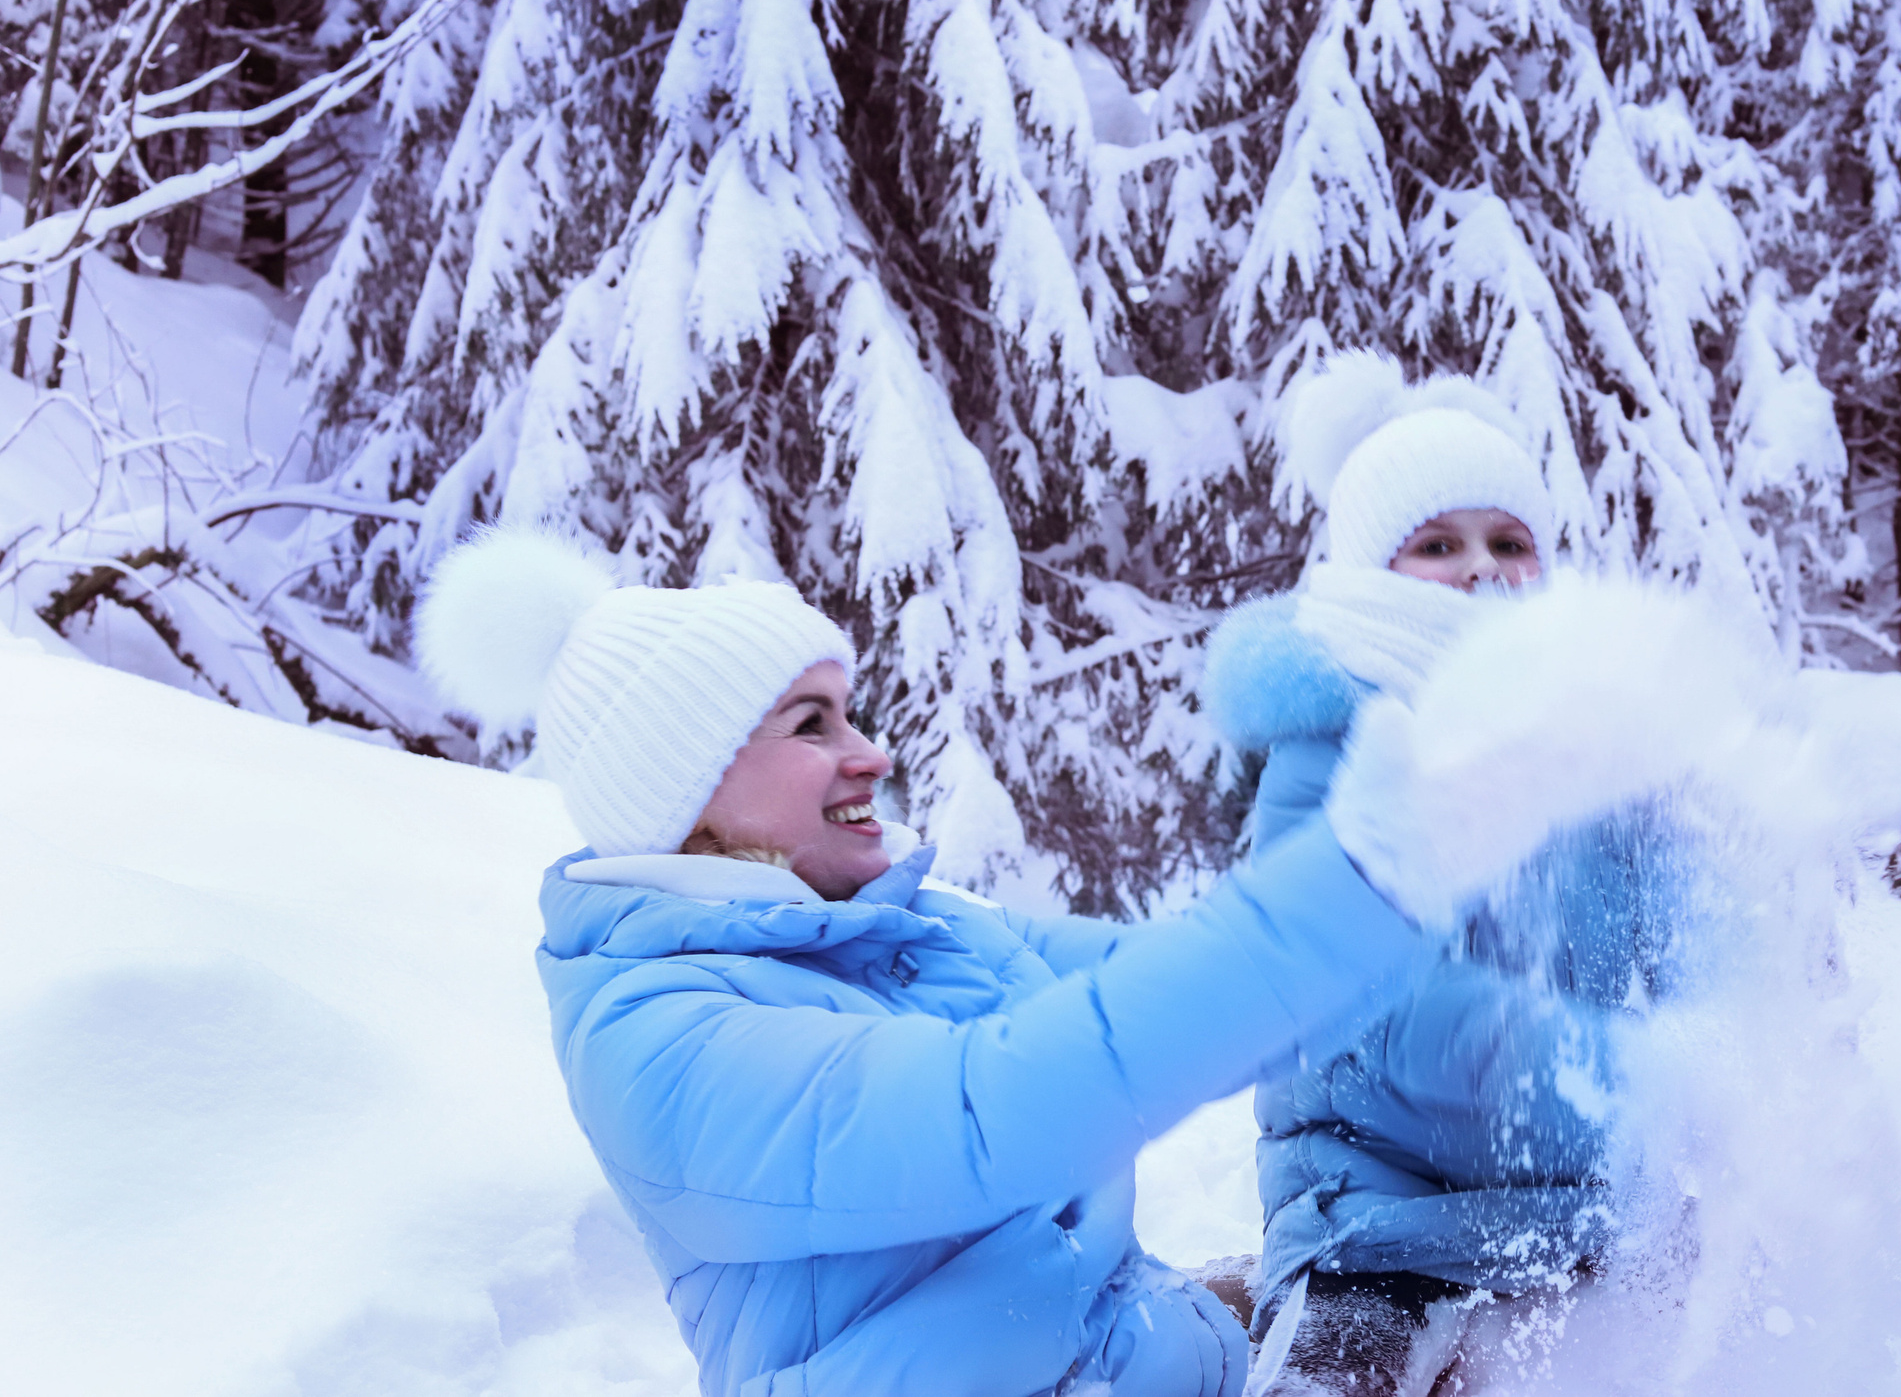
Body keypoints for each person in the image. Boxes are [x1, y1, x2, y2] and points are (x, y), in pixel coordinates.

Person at [412, 523, 1678, 1397]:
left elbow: (1206, 995)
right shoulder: (664, 1038)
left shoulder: (916, 933)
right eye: (812, 724)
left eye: (850, 713)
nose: (870, 753)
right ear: (687, 785)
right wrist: (1348, 879)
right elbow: (1003, 1109)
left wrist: (1637, 1069)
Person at [1202, 354, 1699, 1397]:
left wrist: (1749, 1057)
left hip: (1581, 1216)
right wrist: (1631, 1083)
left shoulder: (1599, 762)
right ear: (1371, 574)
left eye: (1509, 541)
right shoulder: (1331, 743)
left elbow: (1703, 942)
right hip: (1374, 1226)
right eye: (1437, 544)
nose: (1482, 568)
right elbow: (1366, 1004)